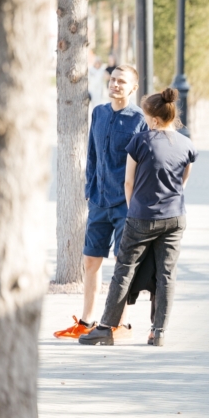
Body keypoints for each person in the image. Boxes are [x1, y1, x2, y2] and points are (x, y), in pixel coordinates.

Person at [79, 88, 197, 347]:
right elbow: (183, 180)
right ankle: (158, 333)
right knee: (166, 274)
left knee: (124, 270)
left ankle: (107, 327)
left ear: (153, 120)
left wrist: (133, 209)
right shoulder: (187, 144)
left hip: (141, 216)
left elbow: (128, 182)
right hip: (175, 217)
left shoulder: (141, 141)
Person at [54, 65, 148, 340]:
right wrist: (89, 188)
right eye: (113, 79)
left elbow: (143, 164)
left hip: (125, 204)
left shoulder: (139, 120)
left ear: (133, 88)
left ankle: (122, 322)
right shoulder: (99, 112)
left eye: (122, 82)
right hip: (98, 200)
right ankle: (87, 320)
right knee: (91, 260)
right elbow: (92, 154)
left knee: (124, 262)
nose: (115, 84)